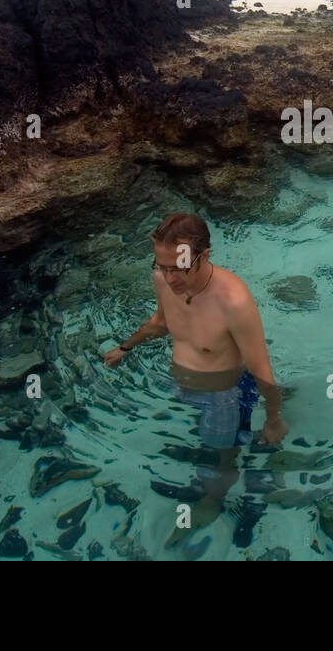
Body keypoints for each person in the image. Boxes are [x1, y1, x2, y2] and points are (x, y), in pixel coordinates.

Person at [103, 212, 288, 550]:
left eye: (180, 267)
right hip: (186, 384)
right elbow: (162, 321)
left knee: (221, 457)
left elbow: (262, 368)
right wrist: (125, 347)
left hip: (224, 395)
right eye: (163, 266)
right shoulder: (165, 279)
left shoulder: (233, 301)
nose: (170, 278)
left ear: (204, 255)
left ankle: (211, 502)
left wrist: (274, 419)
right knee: (207, 445)